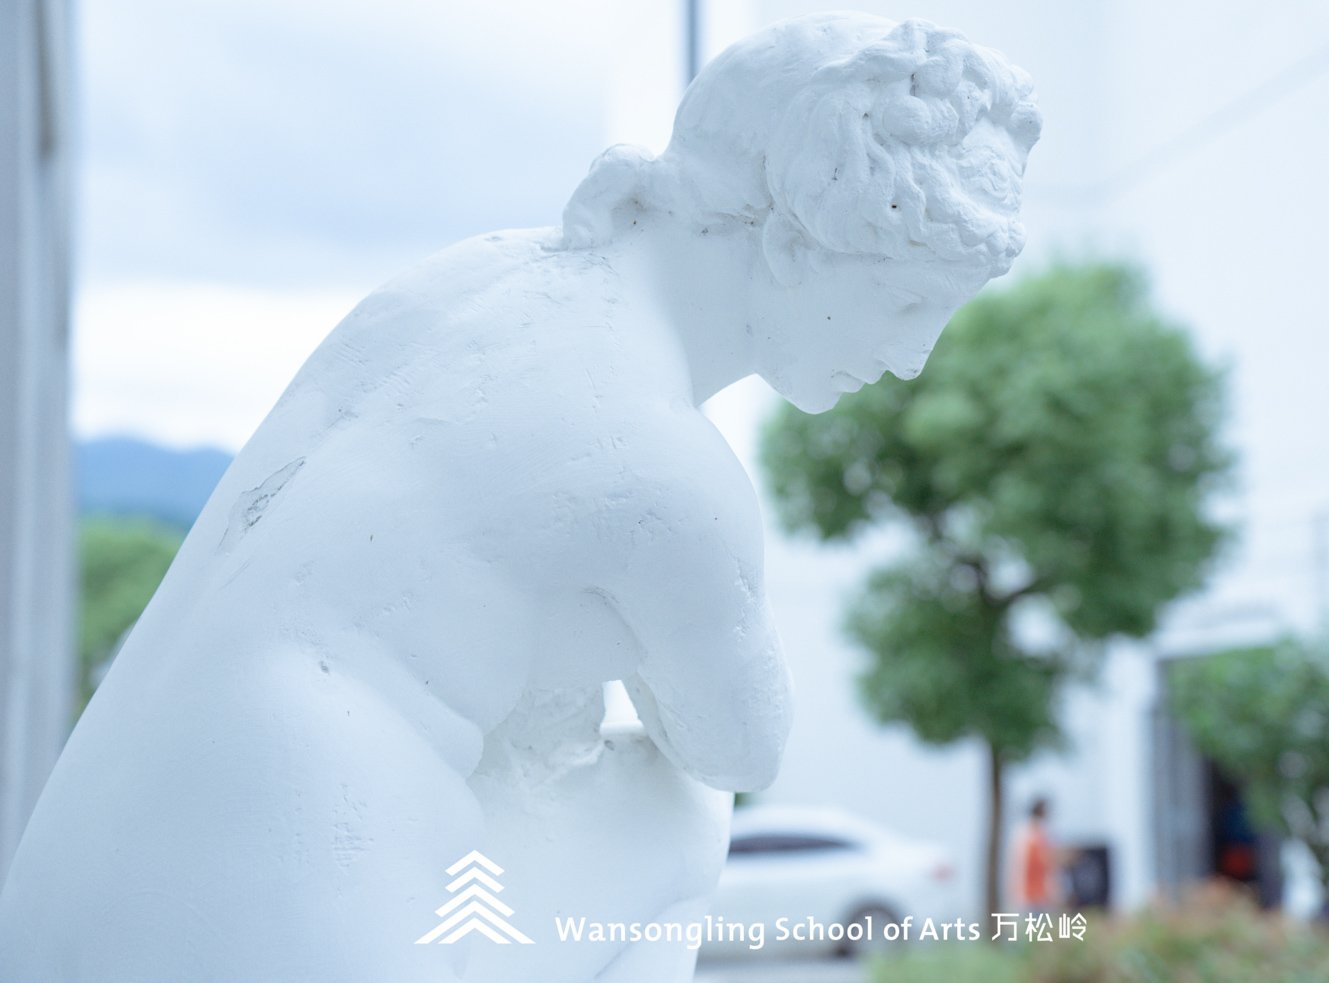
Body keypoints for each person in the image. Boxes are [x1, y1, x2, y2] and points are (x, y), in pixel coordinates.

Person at [0, 13, 1038, 982]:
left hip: (79, 883)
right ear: (795, 239)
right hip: (310, 917)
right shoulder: (670, 472)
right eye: (910, 302)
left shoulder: (473, 282)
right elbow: (743, 743)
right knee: (683, 798)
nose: (914, 357)